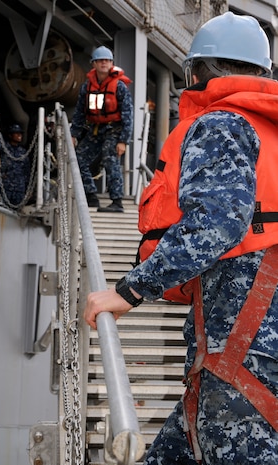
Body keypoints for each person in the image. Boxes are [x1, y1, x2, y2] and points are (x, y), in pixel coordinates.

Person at [83, 12, 278, 465]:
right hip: (240, 360)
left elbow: (215, 223)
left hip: (241, 356)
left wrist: (130, 290)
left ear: (197, 72)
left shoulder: (223, 124)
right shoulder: (267, 127)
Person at [70, 45, 133, 212]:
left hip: (113, 130)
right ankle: (90, 195)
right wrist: (73, 134)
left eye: (107, 60)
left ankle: (117, 201)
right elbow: (79, 113)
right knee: (79, 158)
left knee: (109, 158)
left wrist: (123, 141)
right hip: (95, 129)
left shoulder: (119, 86)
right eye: (100, 60)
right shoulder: (87, 87)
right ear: (94, 64)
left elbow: (128, 114)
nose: (104, 63)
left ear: (111, 63)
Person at [0, 123, 30, 207]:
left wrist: (24, 184)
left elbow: (26, 171)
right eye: (16, 133)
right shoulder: (3, 149)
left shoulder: (23, 152)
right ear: (10, 135)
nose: (19, 135)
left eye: (20, 133)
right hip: (6, 187)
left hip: (19, 188)